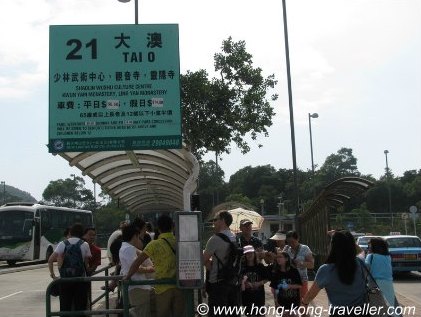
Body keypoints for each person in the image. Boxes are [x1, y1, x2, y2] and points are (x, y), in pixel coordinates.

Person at [125, 215, 184, 317]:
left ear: (159, 228)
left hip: (162, 288)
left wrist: (128, 276)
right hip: (179, 286)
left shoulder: (154, 244)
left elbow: (137, 262)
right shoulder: (180, 242)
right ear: (173, 227)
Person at [302, 230, 367, 317]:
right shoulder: (360, 263)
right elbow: (361, 252)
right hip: (361, 312)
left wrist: (304, 304)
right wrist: (347, 240)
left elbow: (310, 295)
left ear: (333, 246)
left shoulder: (326, 270)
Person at [48, 223, 92, 317]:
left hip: (65, 280)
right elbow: (86, 265)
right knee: (80, 307)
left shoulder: (62, 244)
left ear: (70, 232)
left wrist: (53, 275)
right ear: (82, 234)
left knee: (65, 307)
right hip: (80, 281)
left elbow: (50, 260)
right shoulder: (85, 244)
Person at [203, 210, 241, 317]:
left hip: (218, 284)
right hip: (234, 282)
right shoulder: (236, 238)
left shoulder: (215, 239)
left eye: (215, 219)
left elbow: (203, 260)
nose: (213, 222)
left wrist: (208, 263)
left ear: (223, 221)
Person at [120, 222, 154, 317]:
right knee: (143, 313)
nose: (139, 240)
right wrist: (150, 269)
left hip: (138, 287)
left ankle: (130, 312)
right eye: (139, 237)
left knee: (142, 311)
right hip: (138, 287)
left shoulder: (126, 247)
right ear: (135, 236)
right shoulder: (128, 249)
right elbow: (136, 268)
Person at [366, 237, 398, 312]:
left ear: (374, 246)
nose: (368, 248)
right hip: (388, 283)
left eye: (369, 246)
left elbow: (366, 269)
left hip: (374, 284)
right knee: (391, 306)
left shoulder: (370, 256)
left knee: (376, 307)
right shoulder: (388, 256)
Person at [269, 251, 302, 315]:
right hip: (282, 303)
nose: (278, 259)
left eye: (280, 257)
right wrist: (276, 303)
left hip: (294, 303)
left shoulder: (294, 271)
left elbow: (300, 285)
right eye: (277, 257)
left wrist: (289, 286)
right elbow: (274, 289)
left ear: (286, 259)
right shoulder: (276, 272)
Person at [284, 230, 314, 300]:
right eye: (288, 242)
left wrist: (301, 263)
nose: (291, 244)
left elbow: (312, 264)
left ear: (297, 239)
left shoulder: (305, 248)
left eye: (292, 242)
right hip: (289, 281)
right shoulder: (287, 249)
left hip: (302, 280)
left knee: (302, 303)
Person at [240, 245, 268, 316]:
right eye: (247, 254)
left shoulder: (260, 266)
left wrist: (259, 283)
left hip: (259, 298)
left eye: (251, 253)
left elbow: (267, 278)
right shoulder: (242, 267)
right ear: (245, 255)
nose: (249, 255)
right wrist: (244, 283)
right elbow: (238, 280)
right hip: (247, 298)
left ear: (254, 254)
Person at [83, 227, 101, 308]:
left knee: (86, 303)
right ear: (84, 235)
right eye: (90, 235)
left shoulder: (97, 250)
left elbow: (93, 268)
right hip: (72, 279)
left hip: (85, 281)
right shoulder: (78, 247)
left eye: (94, 235)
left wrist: (86, 269)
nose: (92, 237)